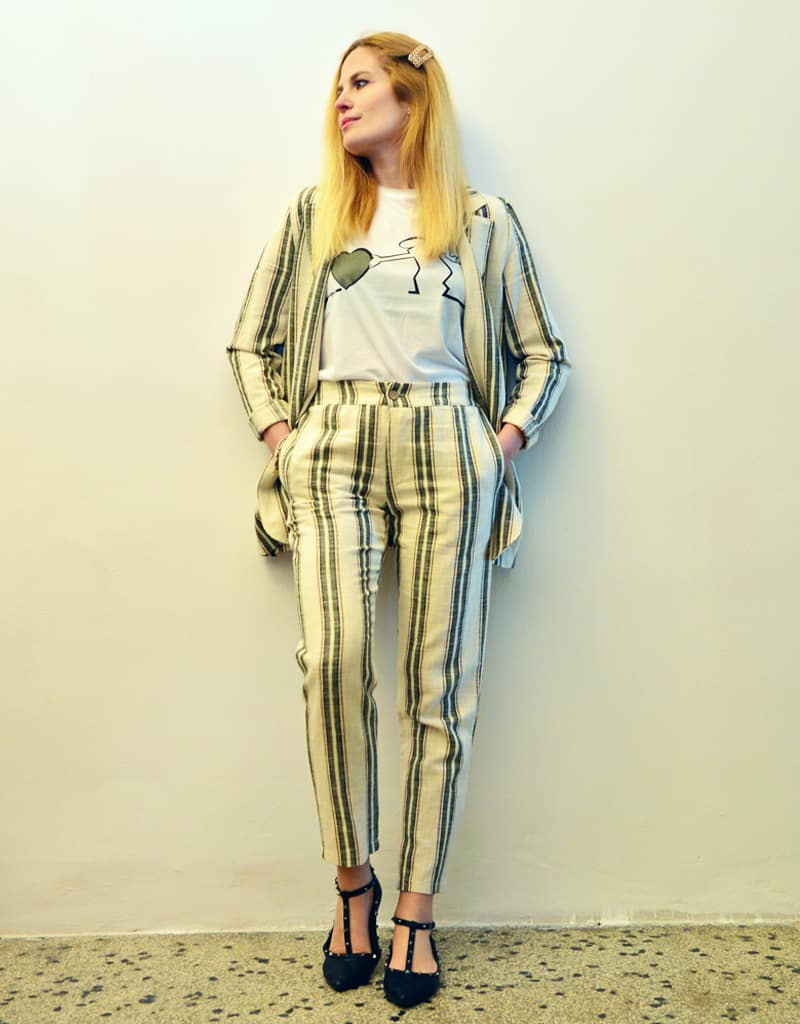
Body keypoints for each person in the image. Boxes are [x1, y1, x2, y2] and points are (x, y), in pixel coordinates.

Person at [226, 31, 571, 1008]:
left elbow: (544, 354)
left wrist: (500, 441)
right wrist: (283, 437)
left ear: (413, 99)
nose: (340, 101)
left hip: (448, 444)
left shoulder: (481, 220)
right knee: (334, 661)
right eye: (336, 88)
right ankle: (353, 886)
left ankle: (416, 906)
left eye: (360, 83)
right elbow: (250, 344)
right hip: (333, 442)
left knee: (438, 684)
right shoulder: (315, 214)